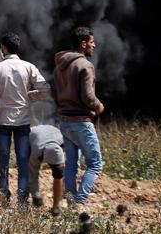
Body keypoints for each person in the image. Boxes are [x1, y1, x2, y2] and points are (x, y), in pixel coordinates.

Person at [0, 32, 51, 203]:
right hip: (22, 122)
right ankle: (23, 198)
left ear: (4, 48)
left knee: (3, 159)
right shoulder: (28, 67)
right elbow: (45, 91)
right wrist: (29, 95)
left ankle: (3, 196)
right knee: (23, 159)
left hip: (2, 122)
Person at [54, 26, 105, 206]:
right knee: (95, 164)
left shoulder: (59, 65)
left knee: (71, 165)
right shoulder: (85, 65)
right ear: (83, 44)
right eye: (92, 42)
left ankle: (69, 199)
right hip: (81, 122)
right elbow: (88, 96)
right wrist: (98, 106)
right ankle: (80, 201)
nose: (94, 45)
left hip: (65, 122)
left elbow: (57, 92)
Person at [29, 124, 66, 215]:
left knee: (59, 174)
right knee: (27, 169)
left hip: (53, 132)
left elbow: (60, 176)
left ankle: (56, 205)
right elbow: (32, 173)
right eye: (52, 165)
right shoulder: (36, 153)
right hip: (32, 134)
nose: (51, 167)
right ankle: (28, 198)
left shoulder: (65, 144)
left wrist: (57, 206)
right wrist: (36, 195)